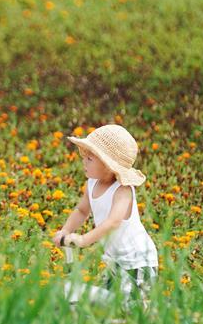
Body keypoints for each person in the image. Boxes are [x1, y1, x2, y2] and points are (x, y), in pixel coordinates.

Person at [51, 124, 159, 307]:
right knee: (106, 303)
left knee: (130, 306)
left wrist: (84, 240)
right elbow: (82, 211)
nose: (84, 161)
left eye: (90, 158)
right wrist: (66, 231)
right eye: (84, 157)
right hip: (115, 261)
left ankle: (147, 311)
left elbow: (113, 222)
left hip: (137, 262)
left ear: (109, 164)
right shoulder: (92, 183)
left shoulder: (122, 190)